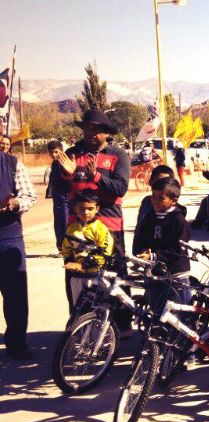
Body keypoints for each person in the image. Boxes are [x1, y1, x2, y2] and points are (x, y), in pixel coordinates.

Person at [51, 109, 131, 331]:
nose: (91, 133)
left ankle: (121, 326)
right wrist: (67, 173)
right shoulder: (73, 154)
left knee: (114, 276)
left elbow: (120, 188)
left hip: (109, 226)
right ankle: (79, 326)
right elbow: (57, 189)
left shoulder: (118, 155)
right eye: (87, 128)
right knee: (76, 276)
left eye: (97, 130)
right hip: (77, 228)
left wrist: (96, 176)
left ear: (106, 133)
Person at [132, 177, 192, 316]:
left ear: (174, 200)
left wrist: (154, 256)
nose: (155, 200)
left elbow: (178, 249)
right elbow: (141, 238)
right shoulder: (149, 217)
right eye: (153, 195)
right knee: (158, 309)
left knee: (179, 312)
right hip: (156, 272)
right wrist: (142, 252)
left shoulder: (179, 221)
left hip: (176, 273)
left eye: (161, 198)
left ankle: (183, 337)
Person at [0, 144, 36, 360]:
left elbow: (29, 196)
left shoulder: (12, 163)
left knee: (15, 296)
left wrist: (13, 203)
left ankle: (16, 343)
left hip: (9, 238)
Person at [61, 190, 114, 313]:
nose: (86, 212)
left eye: (90, 208)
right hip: (76, 276)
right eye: (81, 208)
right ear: (75, 208)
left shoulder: (101, 229)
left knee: (95, 307)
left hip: (94, 275)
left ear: (97, 208)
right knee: (77, 307)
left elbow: (105, 253)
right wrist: (69, 262)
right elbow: (66, 249)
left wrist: (83, 265)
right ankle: (79, 332)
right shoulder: (71, 228)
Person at [46, 140, 71, 252]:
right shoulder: (54, 163)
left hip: (66, 197)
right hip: (57, 197)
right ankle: (61, 247)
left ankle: (66, 247)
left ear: (61, 151)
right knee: (58, 223)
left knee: (65, 222)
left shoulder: (66, 162)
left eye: (56, 152)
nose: (54, 155)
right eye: (51, 153)